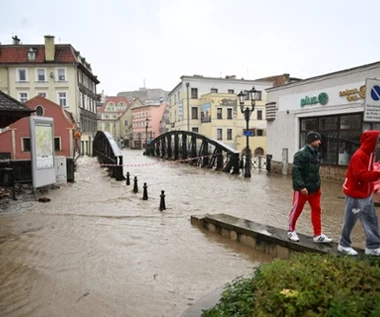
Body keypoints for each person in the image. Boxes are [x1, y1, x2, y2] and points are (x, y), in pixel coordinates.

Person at [338, 130, 380, 256]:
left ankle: (372, 246)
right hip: (356, 196)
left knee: (371, 220)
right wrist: (378, 174)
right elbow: (360, 175)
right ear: (373, 142)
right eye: (379, 142)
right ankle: (343, 245)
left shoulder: (371, 155)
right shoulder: (359, 155)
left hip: (366, 195)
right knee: (350, 220)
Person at [288, 131, 332, 243]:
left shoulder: (316, 153)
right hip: (303, 189)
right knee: (297, 209)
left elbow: (315, 171)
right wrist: (301, 187)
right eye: (318, 140)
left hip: (315, 189)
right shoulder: (300, 154)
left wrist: (318, 185)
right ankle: (291, 231)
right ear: (312, 141)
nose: (320, 142)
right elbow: (296, 171)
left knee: (317, 210)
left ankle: (318, 235)